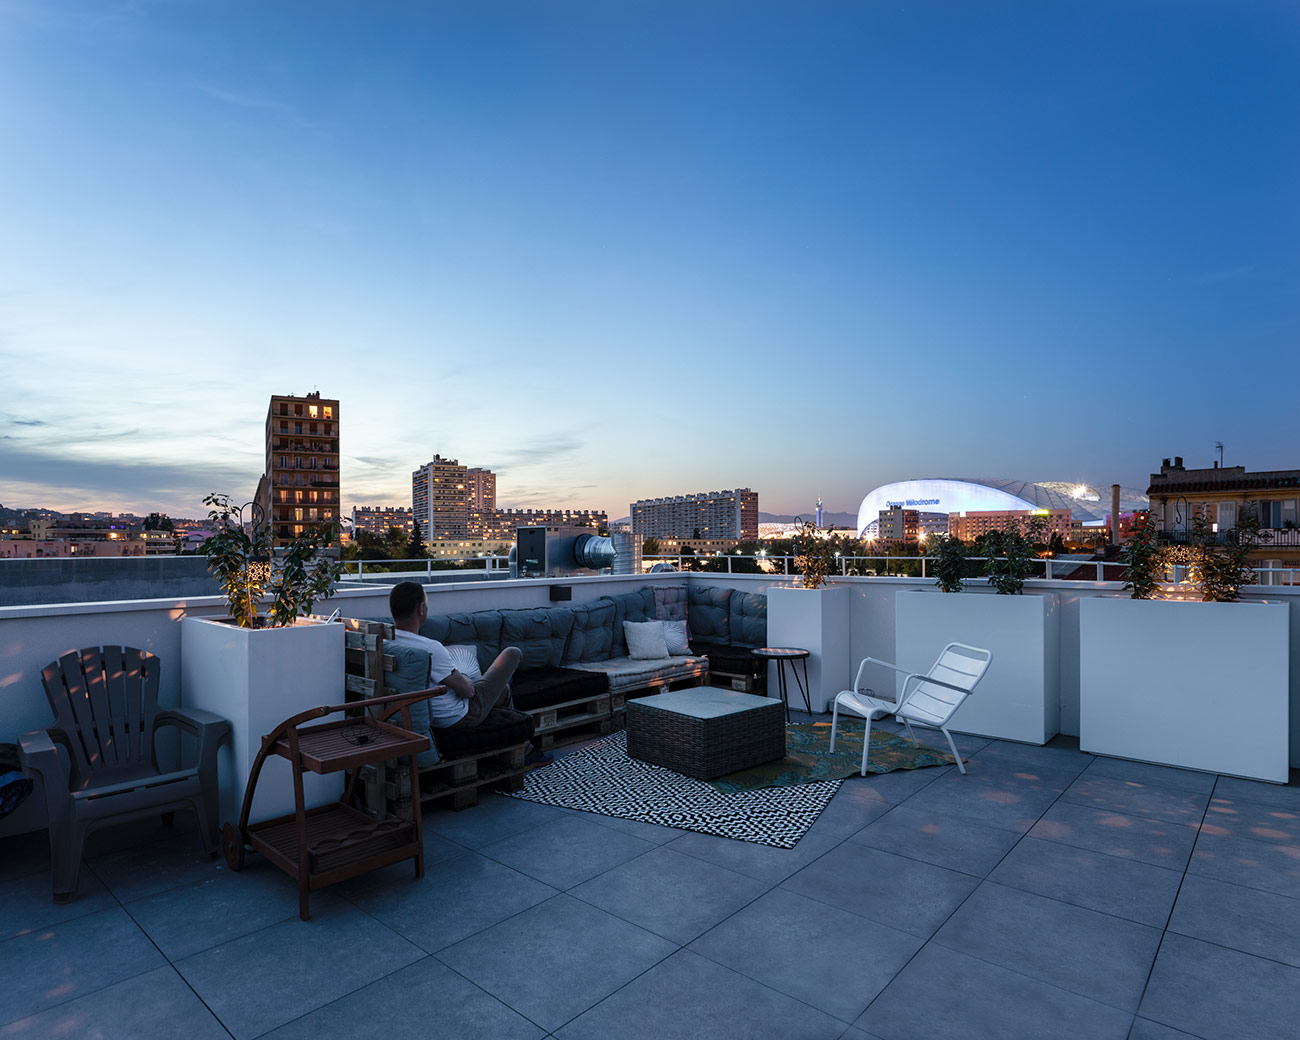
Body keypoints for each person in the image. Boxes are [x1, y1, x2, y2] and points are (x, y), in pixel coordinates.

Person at [388, 581, 552, 766]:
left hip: (424, 714)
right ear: (421, 609)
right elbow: (468, 692)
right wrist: (464, 677)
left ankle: (523, 748)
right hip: (459, 716)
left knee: (503, 690)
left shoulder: (387, 641)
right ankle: (524, 750)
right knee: (512, 653)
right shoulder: (429, 648)